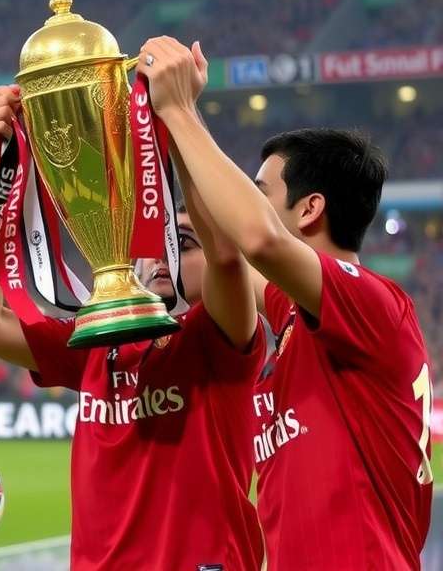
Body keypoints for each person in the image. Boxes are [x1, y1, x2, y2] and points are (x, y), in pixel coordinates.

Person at [136, 36, 432, 569]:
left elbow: (258, 240)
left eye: (262, 191)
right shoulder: (296, 311)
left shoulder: (369, 299)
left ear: (309, 208)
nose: (251, 202)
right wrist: (175, 128)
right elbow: (226, 248)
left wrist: (178, 110)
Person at [0, 85, 266, 570]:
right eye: (155, 239)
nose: (167, 254)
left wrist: (175, 118)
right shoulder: (100, 338)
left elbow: (227, 255)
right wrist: (5, 172)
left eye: (184, 241)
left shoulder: (219, 337)